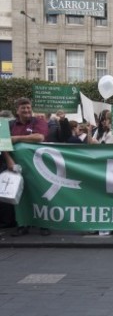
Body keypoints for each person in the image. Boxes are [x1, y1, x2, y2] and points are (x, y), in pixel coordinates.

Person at [9, 98, 50, 236]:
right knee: (20, 195)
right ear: (17, 111)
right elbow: (3, 145)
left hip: (38, 166)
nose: (26, 110)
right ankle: (22, 224)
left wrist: (16, 138)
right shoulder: (9, 125)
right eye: (23, 108)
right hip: (17, 166)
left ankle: (44, 224)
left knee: (40, 194)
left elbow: (40, 137)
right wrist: (9, 161)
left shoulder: (39, 122)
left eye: (28, 107)